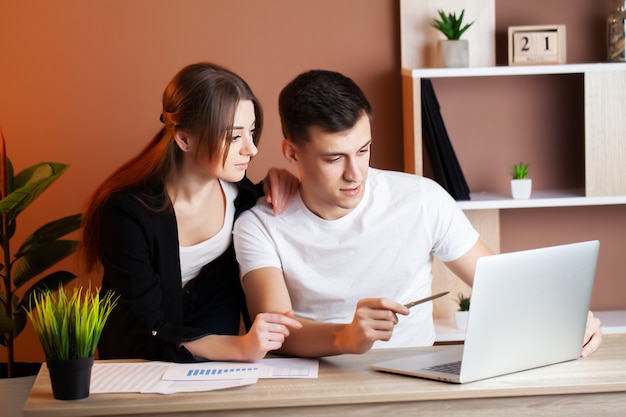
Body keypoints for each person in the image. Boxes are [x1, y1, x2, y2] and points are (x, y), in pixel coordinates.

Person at [232, 69, 603, 358]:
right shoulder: (258, 226)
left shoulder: (422, 199)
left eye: (363, 150)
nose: (355, 173)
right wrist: (346, 336)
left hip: (414, 379)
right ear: (292, 153)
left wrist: (567, 317)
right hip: (318, 383)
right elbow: (277, 332)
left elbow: (499, 282)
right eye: (334, 158)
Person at [81, 62, 301, 363]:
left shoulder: (243, 196)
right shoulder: (127, 213)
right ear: (184, 138)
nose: (252, 149)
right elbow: (144, 328)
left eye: (251, 132)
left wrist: (278, 179)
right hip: (138, 361)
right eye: (234, 137)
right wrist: (239, 347)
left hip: (213, 361)